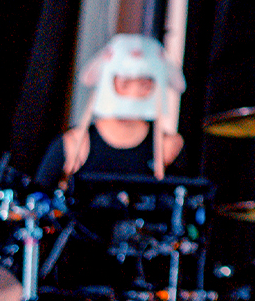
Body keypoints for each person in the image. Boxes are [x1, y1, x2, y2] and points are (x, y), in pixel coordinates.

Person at [35, 32, 185, 189]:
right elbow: (36, 197)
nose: (133, 94)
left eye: (144, 85)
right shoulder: (72, 146)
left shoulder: (168, 149)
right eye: (124, 84)